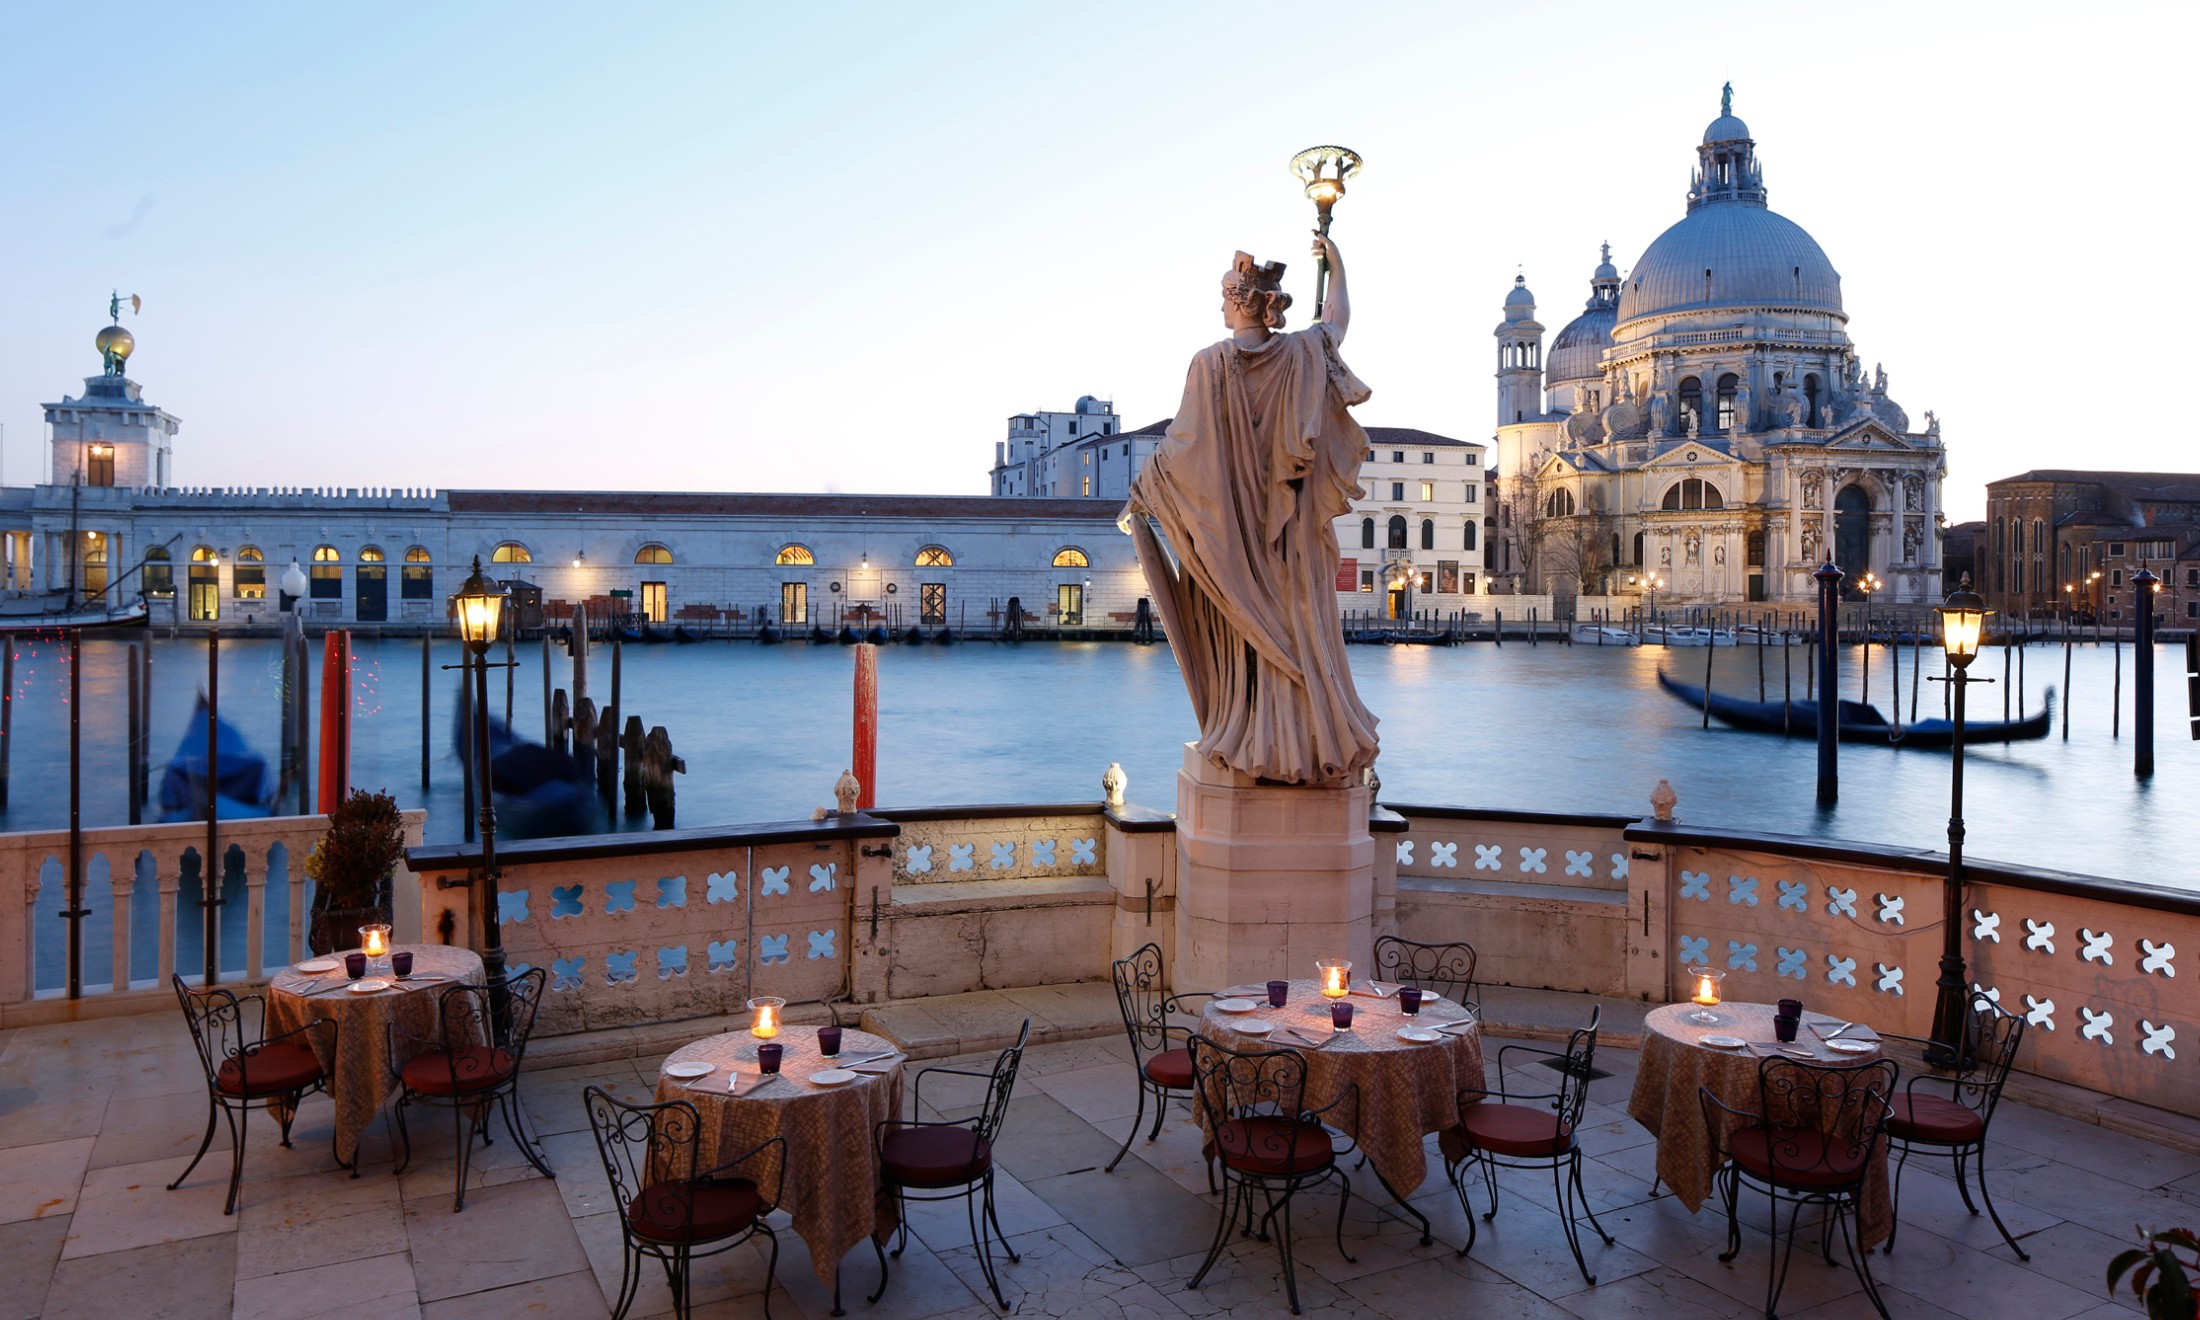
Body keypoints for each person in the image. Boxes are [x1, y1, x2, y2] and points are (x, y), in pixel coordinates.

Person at [1119, 234, 1379, 786]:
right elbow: (1337, 321)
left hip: (1239, 542)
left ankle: (1255, 739)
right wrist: (1338, 267)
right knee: (1303, 628)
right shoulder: (1305, 354)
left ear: (1241, 302)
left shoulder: (1209, 365)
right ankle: (1307, 739)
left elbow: (1183, 451)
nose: (1219, 306)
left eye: (1224, 297)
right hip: (1293, 542)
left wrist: (1144, 488)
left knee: (1246, 636)